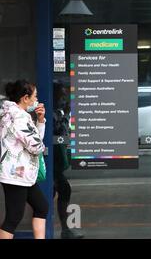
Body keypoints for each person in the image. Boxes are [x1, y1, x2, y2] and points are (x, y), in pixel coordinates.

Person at [0, 80, 49, 239]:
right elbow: (36, 147)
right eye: (35, 97)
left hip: (20, 173)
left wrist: (40, 120)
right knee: (13, 218)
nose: (37, 100)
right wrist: (40, 126)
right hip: (16, 175)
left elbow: (33, 142)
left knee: (41, 206)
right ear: (25, 98)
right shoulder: (19, 117)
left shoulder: (10, 113)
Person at [53, 82, 84, 239]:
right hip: (52, 160)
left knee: (58, 191)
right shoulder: (51, 112)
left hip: (57, 161)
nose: (63, 98)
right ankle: (63, 230)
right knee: (62, 189)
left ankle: (63, 229)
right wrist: (66, 115)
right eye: (61, 94)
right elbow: (59, 131)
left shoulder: (57, 111)